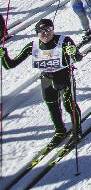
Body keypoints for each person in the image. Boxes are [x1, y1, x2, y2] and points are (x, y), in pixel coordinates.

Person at [0, 18, 83, 146]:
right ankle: (60, 131)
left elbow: (78, 57)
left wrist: (74, 52)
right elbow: (10, 65)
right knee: (52, 107)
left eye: (48, 30)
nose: (45, 33)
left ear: (53, 30)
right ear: (37, 33)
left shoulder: (64, 41)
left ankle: (77, 131)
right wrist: (3, 56)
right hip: (46, 79)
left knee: (69, 105)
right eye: (41, 31)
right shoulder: (32, 46)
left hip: (64, 76)